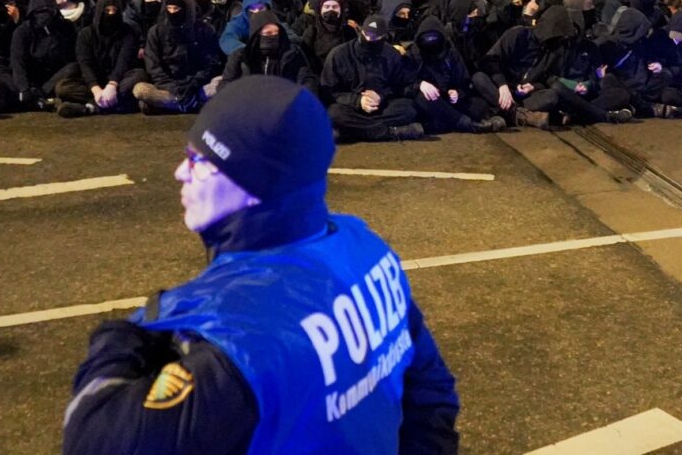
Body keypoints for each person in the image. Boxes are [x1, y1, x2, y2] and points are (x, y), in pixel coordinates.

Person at [63, 76, 460, 453]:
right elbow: (431, 396)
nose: (180, 172)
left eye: (199, 161)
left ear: (252, 187)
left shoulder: (241, 334)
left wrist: (121, 339)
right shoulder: (367, 249)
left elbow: (94, 438)